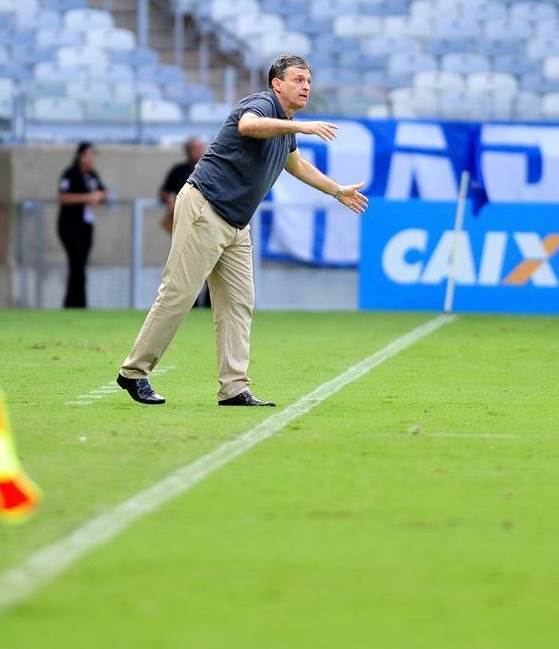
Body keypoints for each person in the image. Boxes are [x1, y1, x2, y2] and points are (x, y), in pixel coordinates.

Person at [114, 54, 368, 407]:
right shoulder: (261, 104)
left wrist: (337, 190)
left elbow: (296, 166)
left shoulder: (285, 125)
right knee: (179, 294)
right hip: (206, 206)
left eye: (308, 80)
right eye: (297, 79)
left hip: (236, 223)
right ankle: (133, 373)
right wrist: (300, 127)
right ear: (276, 83)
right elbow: (248, 126)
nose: (306, 86)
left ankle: (234, 387)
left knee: (238, 304)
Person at [57, 142, 108, 309]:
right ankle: (74, 304)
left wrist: (100, 196)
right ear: (79, 155)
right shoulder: (70, 174)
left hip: (86, 226)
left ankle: (77, 304)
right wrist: (87, 198)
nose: (90, 158)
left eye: (92, 154)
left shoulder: (93, 175)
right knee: (76, 262)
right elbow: (63, 197)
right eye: (87, 154)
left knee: (80, 265)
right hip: (69, 225)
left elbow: (103, 192)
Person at [159, 137, 210, 308]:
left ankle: (210, 303)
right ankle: (189, 303)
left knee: (211, 262)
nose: (200, 151)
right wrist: (171, 200)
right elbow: (164, 191)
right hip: (186, 226)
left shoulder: (210, 168)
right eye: (196, 148)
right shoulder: (178, 171)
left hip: (207, 225)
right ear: (188, 152)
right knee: (187, 264)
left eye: (201, 148)